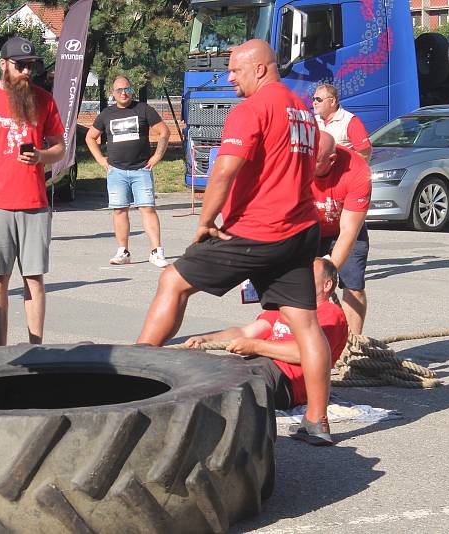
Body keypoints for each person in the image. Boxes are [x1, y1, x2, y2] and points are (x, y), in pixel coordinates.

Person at [136, 40, 334, 445]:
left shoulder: (251, 110)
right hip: (300, 231)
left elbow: (224, 170)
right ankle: (317, 421)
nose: (228, 78)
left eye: (235, 70)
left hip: (259, 228)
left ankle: (133, 372)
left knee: (173, 280)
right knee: (306, 325)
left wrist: (206, 222)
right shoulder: (303, 111)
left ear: (260, 69)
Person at [0, 36, 65, 346]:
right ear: (3, 64)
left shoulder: (44, 99)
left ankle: (36, 346)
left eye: (31, 66)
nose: (27, 72)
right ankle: (1, 350)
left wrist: (42, 156)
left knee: (34, 279)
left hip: (34, 203)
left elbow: (60, 148)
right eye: (20, 66)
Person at [185, 258, 348, 429]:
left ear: (327, 285)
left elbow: (305, 353)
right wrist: (206, 340)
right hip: (261, 363)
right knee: (206, 372)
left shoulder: (331, 313)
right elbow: (245, 332)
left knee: (229, 387)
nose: (300, 279)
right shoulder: (288, 308)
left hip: (287, 380)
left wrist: (256, 346)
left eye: (308, 275)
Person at [85, 76, 171, 268]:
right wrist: (100, 160)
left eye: (127, 89)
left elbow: (164, 132)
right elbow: (91, 137)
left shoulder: (143, 109)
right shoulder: (106, 114)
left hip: (141, 170)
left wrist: (156, 157)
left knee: (147, 208)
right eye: (119, 90)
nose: (123, 93)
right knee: (119, 210)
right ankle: (123, 251)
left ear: (132, 90)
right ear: (113, 93)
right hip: (116, 172)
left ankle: (156, 252)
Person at [313, 133, 371, 334]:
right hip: (310, 229)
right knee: (300, 284)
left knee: (353, 287)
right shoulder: (297, 164)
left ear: (331, 159)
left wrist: (327, 273)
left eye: (316, 161)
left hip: (345, 229)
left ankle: (352, 344)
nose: (308, 165)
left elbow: (348, 231)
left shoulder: (357, 170)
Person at [312, 84, 372, 161]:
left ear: (332, 101)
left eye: (318, 99)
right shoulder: (312, 121)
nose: (314, 103)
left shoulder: (350, 121)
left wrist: (347, 170)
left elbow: (365, 154)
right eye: (313, 99)